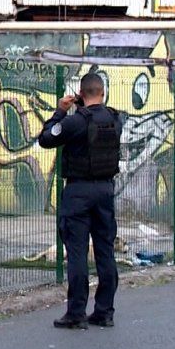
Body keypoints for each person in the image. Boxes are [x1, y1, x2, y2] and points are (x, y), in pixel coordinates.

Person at [37, 72, 123, 329]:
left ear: (80, 94)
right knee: (105, 251)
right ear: (103, 93)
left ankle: (76, 313)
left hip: (78, 191)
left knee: (77, 252)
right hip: (106, 190)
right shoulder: (115, 120)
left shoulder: (75, 122)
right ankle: (104, 311)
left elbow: (46, 139)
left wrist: (60, 113)